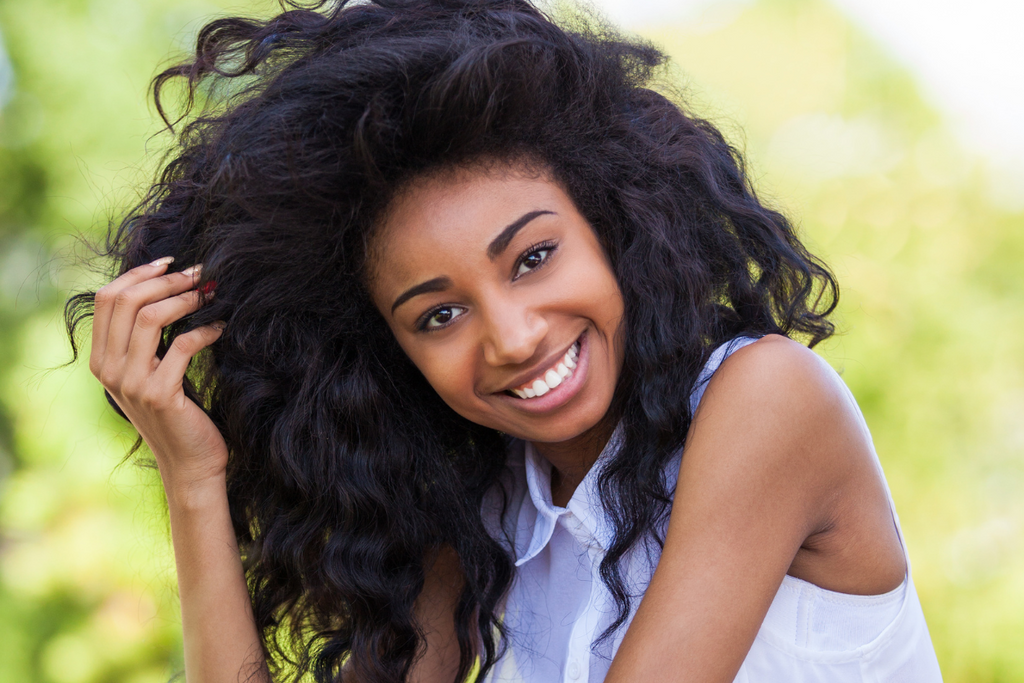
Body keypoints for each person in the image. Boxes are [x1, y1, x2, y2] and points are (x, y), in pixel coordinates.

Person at [66, 0, 943, 681]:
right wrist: (193, 476)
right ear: (390, 355)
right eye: (438, 315)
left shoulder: (764, 400)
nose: (514, 336)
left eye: (532, 257)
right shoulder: (484, 510)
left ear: (611, 223)